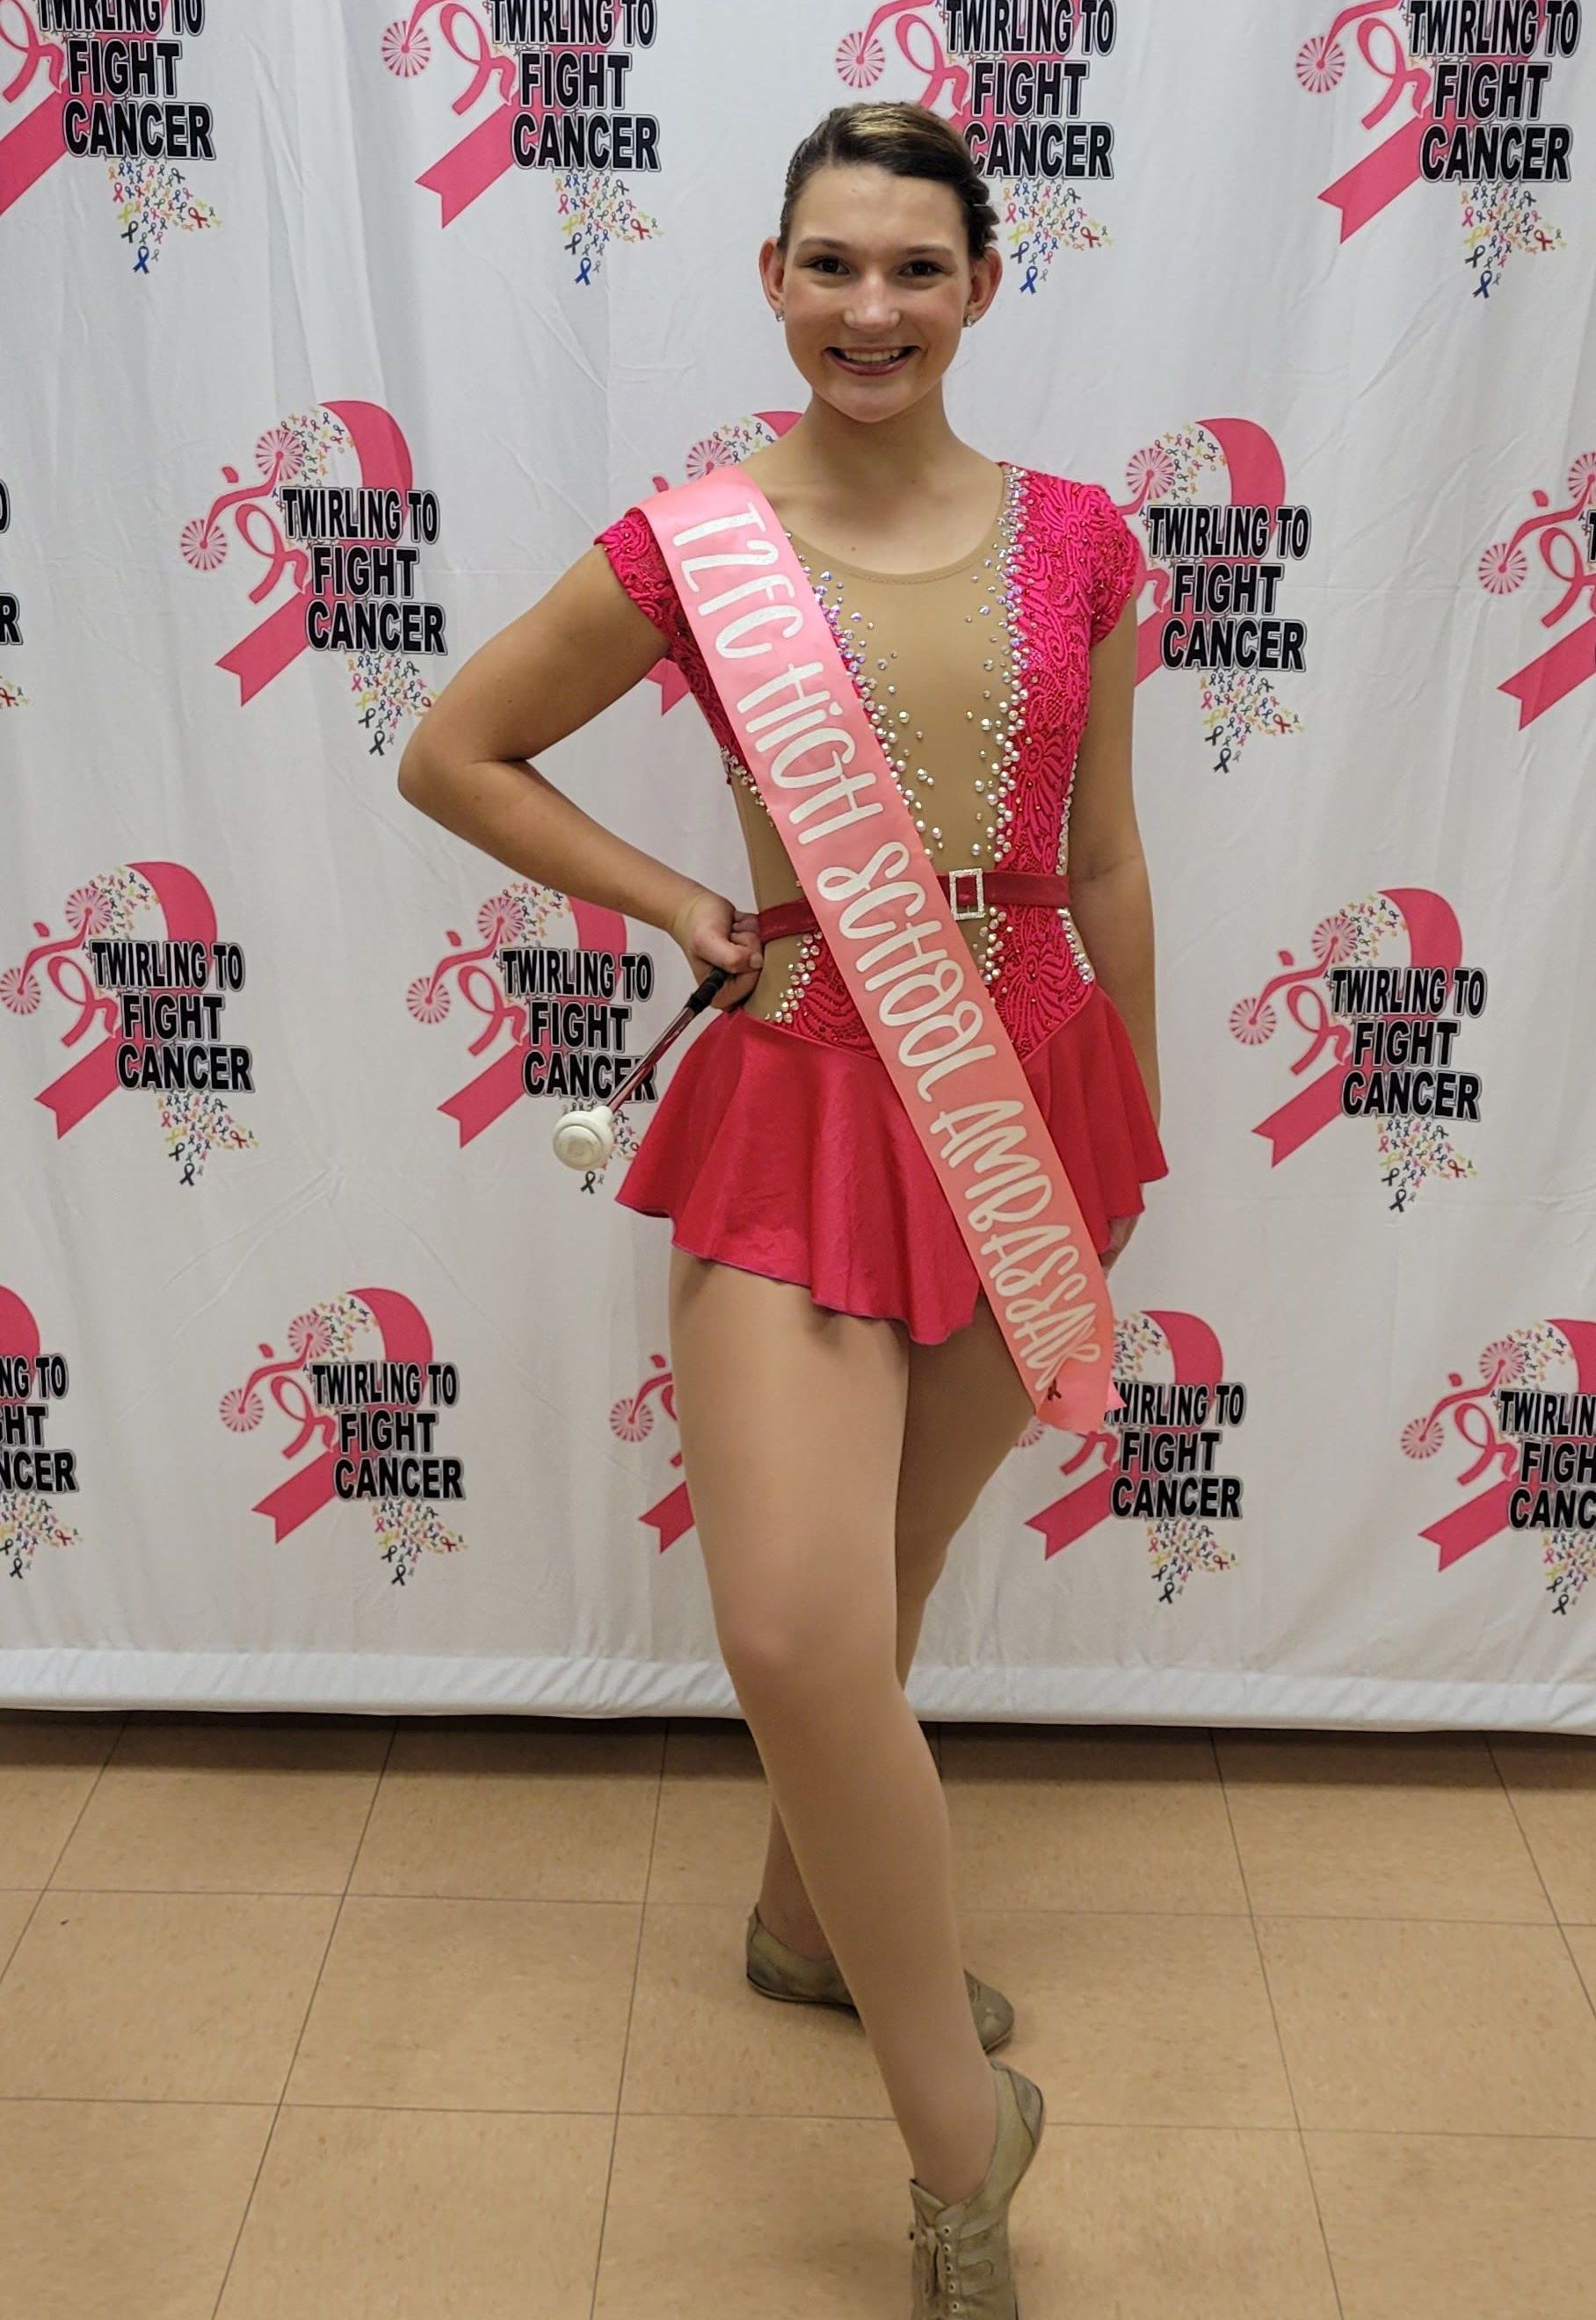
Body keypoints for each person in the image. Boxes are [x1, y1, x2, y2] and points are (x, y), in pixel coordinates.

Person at [399, 97, 1165, 2320]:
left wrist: (1141, 1096)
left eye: (914, 269)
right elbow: (457, 749)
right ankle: (958, 2145)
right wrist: (678, 906)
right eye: (830, 264)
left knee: (894, 1569)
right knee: (797, 1627)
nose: (869, 308)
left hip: (1022, 1096)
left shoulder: (1084, 540)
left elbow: (1100, 851)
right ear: (769, 278)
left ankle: (800, 1926)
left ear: (980, 291)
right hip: (805, 1088)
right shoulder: (691, 545)